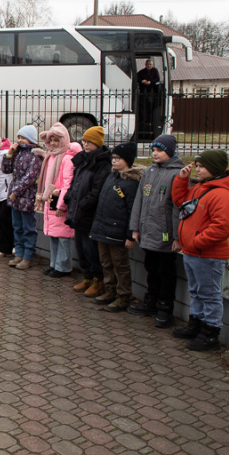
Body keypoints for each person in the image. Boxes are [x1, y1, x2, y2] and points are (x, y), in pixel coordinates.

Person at [171, 150, 229, 351]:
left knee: (209, 294)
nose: (196, 170)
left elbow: (222, 227)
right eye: (197, 166)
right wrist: (182, 180)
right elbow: (180, 201)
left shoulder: (222, 194)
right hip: (192, 252)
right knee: (196, 291)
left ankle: (210, 333)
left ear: (214, 169)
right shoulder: (200, 188)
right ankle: (196, 324)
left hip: (206, 254)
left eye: (201, 167)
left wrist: (195, 242)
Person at [128, 134, 185, 328]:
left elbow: (178, 207)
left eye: (159, 150)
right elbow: (140, 201)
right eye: (153, 150)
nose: (155, 153)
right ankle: (150, 301)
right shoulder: (149, 171)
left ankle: (165, 308)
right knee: (151, 268)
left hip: (165, 234)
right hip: (147, 231)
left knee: (166, 271)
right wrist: (135, 227)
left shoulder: (177, 174)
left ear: (169, 151)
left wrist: (177, 237)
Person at [89, 143, 143, 312]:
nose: (114, 161)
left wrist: (129, 235)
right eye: (113, 158)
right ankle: (110, 289)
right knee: (106, 262)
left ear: (127, 160)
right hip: (103, 229)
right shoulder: (111, 177)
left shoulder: (131, 183)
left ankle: (123, 295)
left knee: (120, 265)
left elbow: (132, 210)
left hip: (118, 232)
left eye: (118, 158)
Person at [64, 126, 112, 295]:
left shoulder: (102, 164)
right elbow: (75, 182)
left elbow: (96, 189)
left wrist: (84, 203)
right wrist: (69, 196)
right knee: (81, 247)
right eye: (84, 141)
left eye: (89, 141)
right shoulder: (83, 160)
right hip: (77, 210)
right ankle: (88, 276)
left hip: (89, 213)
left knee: (91, 248)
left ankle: (98, 280)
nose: (86, 144)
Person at [37, 123, 79, 277]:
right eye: (51, 140)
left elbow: (67, 183)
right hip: (51, 201)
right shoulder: (52, 156)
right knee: (54, 235)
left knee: (63, 237)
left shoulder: (67, 159)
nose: (53, 144)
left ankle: (63, 266)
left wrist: (61, 204)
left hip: (60, 203)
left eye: (56, 140)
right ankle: (54, 263)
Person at [1, 125, 44, 270]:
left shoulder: (34, 155)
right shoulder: (18, 152)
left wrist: (16, 191)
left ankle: (28, 256)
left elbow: (30, 177)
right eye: (19, 137)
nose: (20, 140)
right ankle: (18, 253)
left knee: (28, 228)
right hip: (15, 197)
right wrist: (9, 154)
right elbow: (6, 170)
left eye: (23, 137)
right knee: (17, 226)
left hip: (26, 196)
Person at [0, 136, 15, 258]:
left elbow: (5, 171)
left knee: (4, 219)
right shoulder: (0, 153)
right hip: (2, 191)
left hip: (6, 191)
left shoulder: (3, 153)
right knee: (3, 219)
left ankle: (6, 247)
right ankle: (7, 246)